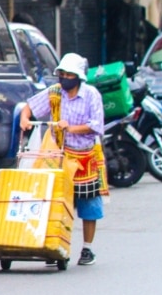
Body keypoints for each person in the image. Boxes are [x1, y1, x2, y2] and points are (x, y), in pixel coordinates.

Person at [18, 52, 106, 266]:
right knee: (54, 202)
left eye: (69, 74)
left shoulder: (91, 94)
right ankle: (54, 245)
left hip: (84, 155)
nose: (64, 77)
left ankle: (87, 249)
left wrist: (71, 127)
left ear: (78, 77)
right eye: (62, 74)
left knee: (88, 205)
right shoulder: (55, 93)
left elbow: (96, 126)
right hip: (58, 155)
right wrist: (24, 118)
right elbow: (30, 106)